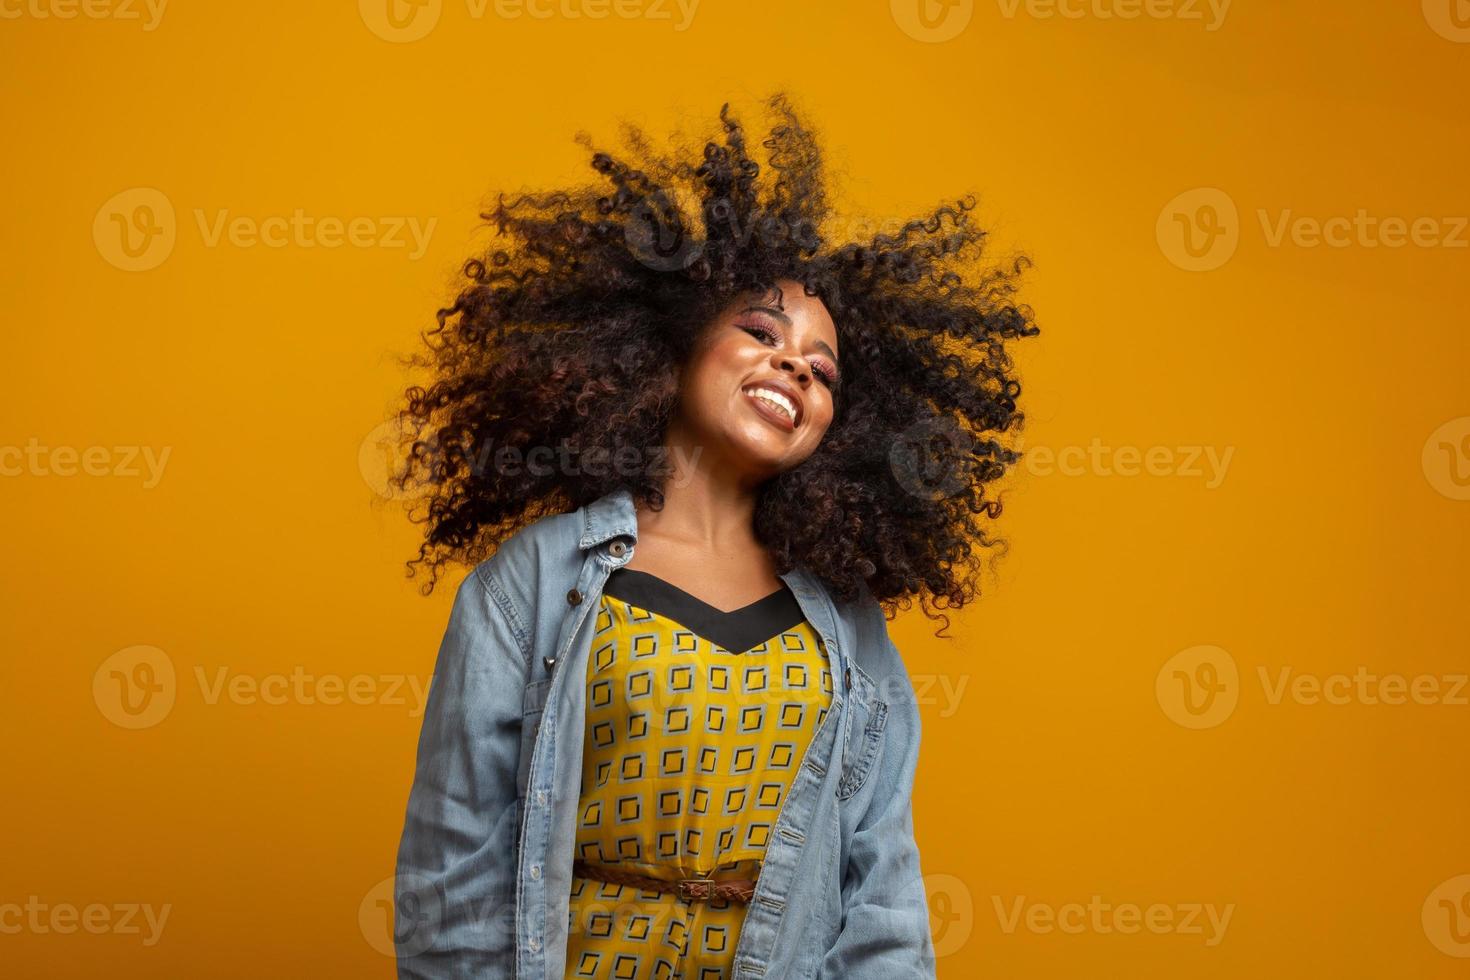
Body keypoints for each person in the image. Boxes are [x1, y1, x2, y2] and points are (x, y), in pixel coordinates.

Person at [389, 93, 1038, 979]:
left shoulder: (847, 631)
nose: (792, 368)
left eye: (821, 370)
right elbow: (451, 879)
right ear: (677, 341)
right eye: (762, 331)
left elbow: (881, 897)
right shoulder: (534, 583)